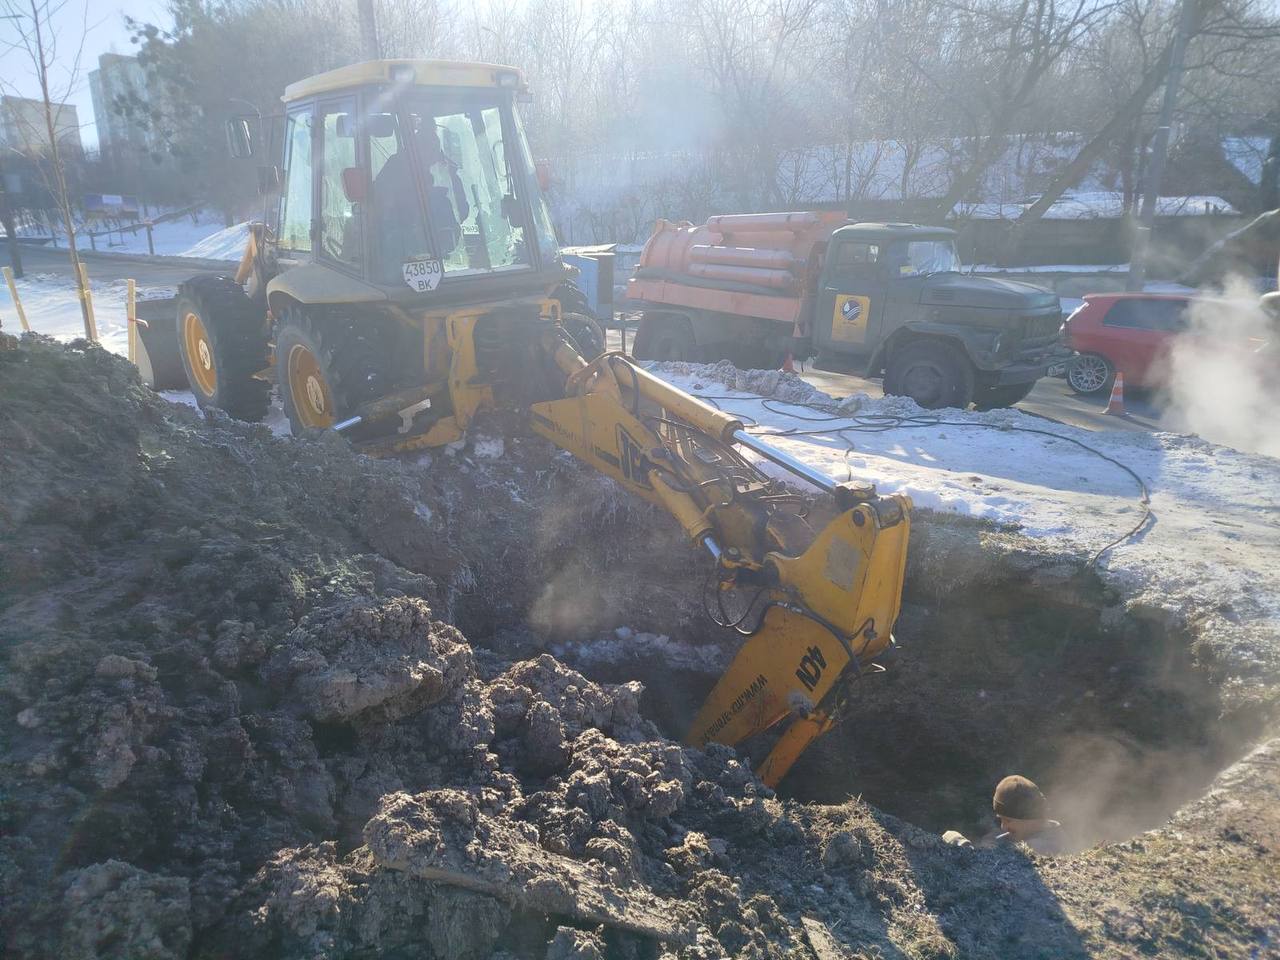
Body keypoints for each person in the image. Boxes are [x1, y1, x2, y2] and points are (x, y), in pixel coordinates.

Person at [942, 774, 1065, 854]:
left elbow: (985, 866)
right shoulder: (1028, 832)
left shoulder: (1041, 847)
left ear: (1029, 818)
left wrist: (958, 842)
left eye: (1008, 820)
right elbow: (991, 842)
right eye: (1001, 820)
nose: (1003, 826)